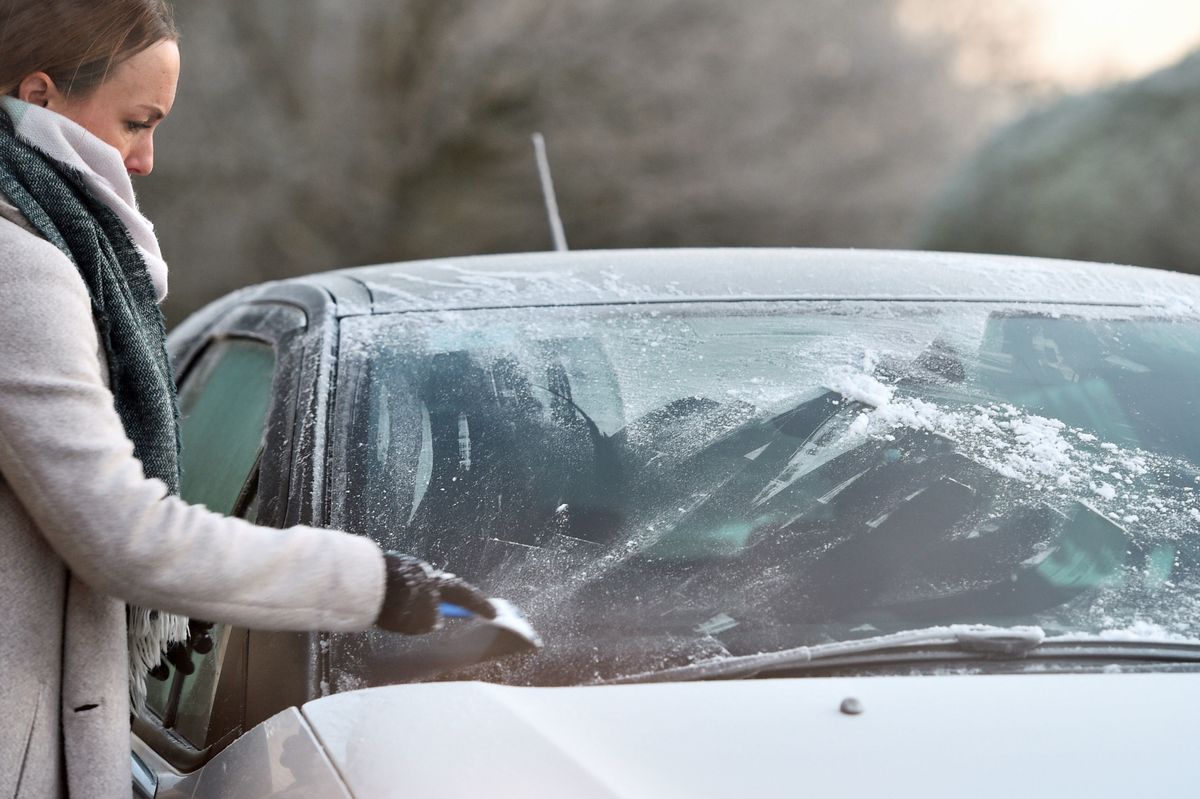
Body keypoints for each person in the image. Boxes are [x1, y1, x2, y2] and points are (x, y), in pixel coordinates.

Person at [0, 2, 495, 796]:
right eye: (137, 121)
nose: (147, 158)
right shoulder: (21, 270)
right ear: (43, 96)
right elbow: (125, 536)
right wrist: (375, 583)